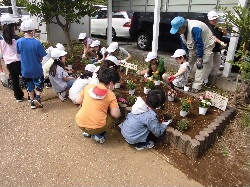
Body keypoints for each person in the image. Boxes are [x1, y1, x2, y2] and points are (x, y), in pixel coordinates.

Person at [170, 16, 216, 92]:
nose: (177, 32)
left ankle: (196, 86)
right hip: (194, 45)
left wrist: (200, 58)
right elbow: (184, 45)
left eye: (178, 30)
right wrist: (186, 56)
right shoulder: (182, 33)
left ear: (183, 27)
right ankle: (180, 82)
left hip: (206, 44)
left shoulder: (195, 28)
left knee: (200, 65)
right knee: (187, 63)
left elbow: (199, 44)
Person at [75, 68, 121, 144]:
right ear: (111, 83)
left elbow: (77, 101)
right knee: (114, 117)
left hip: (80, 124)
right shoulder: (110, 94)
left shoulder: (88, 87)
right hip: (96, 128)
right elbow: (115, 114)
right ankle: (98, 135)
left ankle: (87, 132)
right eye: (114, 84)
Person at [17, 19, 47, 109]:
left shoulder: (19, 42)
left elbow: (19, 53)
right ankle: (37, 97)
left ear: (22, 31)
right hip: (36, 68)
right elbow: (42, 57)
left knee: (29, 85)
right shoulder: (37, 43)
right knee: (39, 84)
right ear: (33, 30)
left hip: (25, 69)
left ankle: (32, 102)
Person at [0, 15, 23, 102]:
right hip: (18, 61)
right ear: (13, 26)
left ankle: (18, 96)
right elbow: (20, 50)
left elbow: (2, 52)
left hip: (8, 62)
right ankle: (31, 96)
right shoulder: (17, 39)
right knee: (26, 78)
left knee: (14, 79)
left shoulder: (2, 39)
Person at [205, 11, 228, 87]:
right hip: (210, 49)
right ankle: (205, 81)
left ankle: (210, 82)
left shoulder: (217, 27)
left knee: (217, 64)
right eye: (213, 19)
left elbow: (225, 34)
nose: (215, 20)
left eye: (216, 18)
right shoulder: (209, 28)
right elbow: (213, 37)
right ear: (209, 20)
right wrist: (221, 42)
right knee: (209, 65)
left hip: (217, 49)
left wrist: (223, 30)